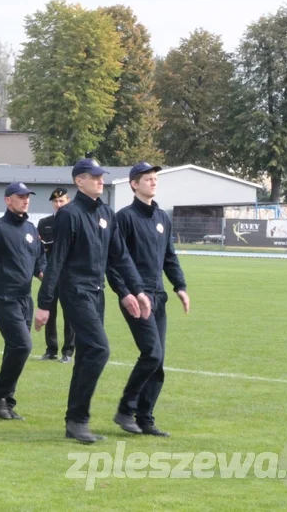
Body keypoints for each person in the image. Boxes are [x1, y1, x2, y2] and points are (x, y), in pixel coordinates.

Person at [34, 158, 152, 444]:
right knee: (99, 349)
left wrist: (135, 290)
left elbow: (119, 257)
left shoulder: (106, 214)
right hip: (75, 291)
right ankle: (78, 419)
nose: (101, 180)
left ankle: (75, 421)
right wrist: (44, 303)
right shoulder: (69, 214)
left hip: (96, 292)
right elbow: (56, 260)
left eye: (102, 176)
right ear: (79, 181)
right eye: (94, 176)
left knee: (88, 354)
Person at [107, 162, 190, 437]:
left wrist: (180, 285)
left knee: (158, 360)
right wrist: (125, 293)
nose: (153, 182)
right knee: (151, 354)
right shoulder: (124, 218)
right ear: (134, 184)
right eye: (147, 179)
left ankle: (145, 418)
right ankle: (125, 409)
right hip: (136, 297)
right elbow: (115, 261)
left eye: (155, 178)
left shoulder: (162, 218)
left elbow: (169, 256)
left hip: (158, 297)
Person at [0, 182, 46, 420]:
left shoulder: (31, 228)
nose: (25, 200)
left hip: (25, 297)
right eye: (20, 197)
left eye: (27, 197)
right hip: (4, 296)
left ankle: (7, 401)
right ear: (7, 200)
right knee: (22, 346)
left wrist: (42, 272)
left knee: (14, 348)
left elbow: (39, 259)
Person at [36, 187, 76, 363]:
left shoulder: (74, 221)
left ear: (68, 202)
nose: (58, 204)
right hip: (50, 277)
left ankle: (68, 351)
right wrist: (41, 270)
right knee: (48, 313)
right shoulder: (44, 224)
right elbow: (40, 251)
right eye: (55, 201)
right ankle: (50, 349)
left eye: (62, 201)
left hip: (69, 277)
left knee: (69, 315)